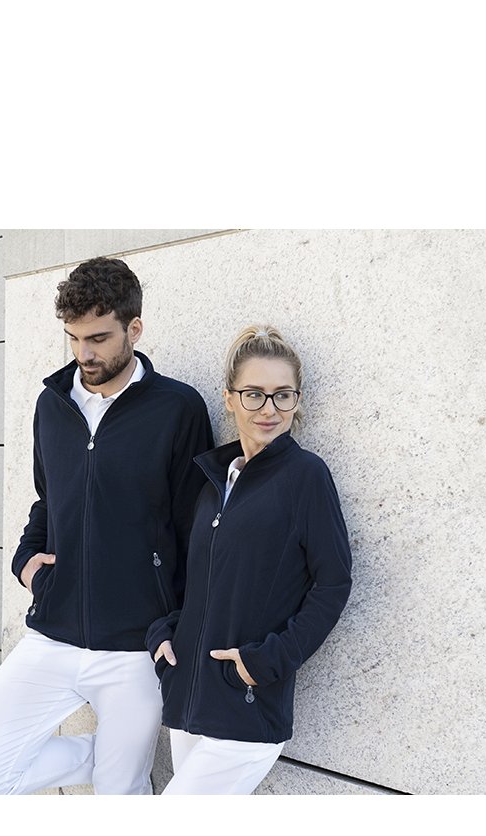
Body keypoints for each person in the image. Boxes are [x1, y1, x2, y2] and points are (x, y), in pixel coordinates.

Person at [0, 257, 214, 795]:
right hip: (54, 633)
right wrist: (26, 563)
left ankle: (118, 766)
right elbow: (49, 500)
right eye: (73, 338)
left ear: (134, 329)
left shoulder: (178, 408)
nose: (84, 354)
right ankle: (110, 758)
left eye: (98, 338)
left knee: (120, 793)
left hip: (135, 645)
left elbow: (195, 527)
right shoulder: (52, 404)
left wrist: (179, 626)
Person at [146, 325, 352, 795]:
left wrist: (269, 659)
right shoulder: (214, 481)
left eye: (283, 395)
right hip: (189, 702)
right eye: (254, 394)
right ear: (229, 399)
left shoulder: (306, 477)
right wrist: (166, 632)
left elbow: (333, 583)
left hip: (246, 707)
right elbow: (199, 580)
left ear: (297, 401)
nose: (269, 409)